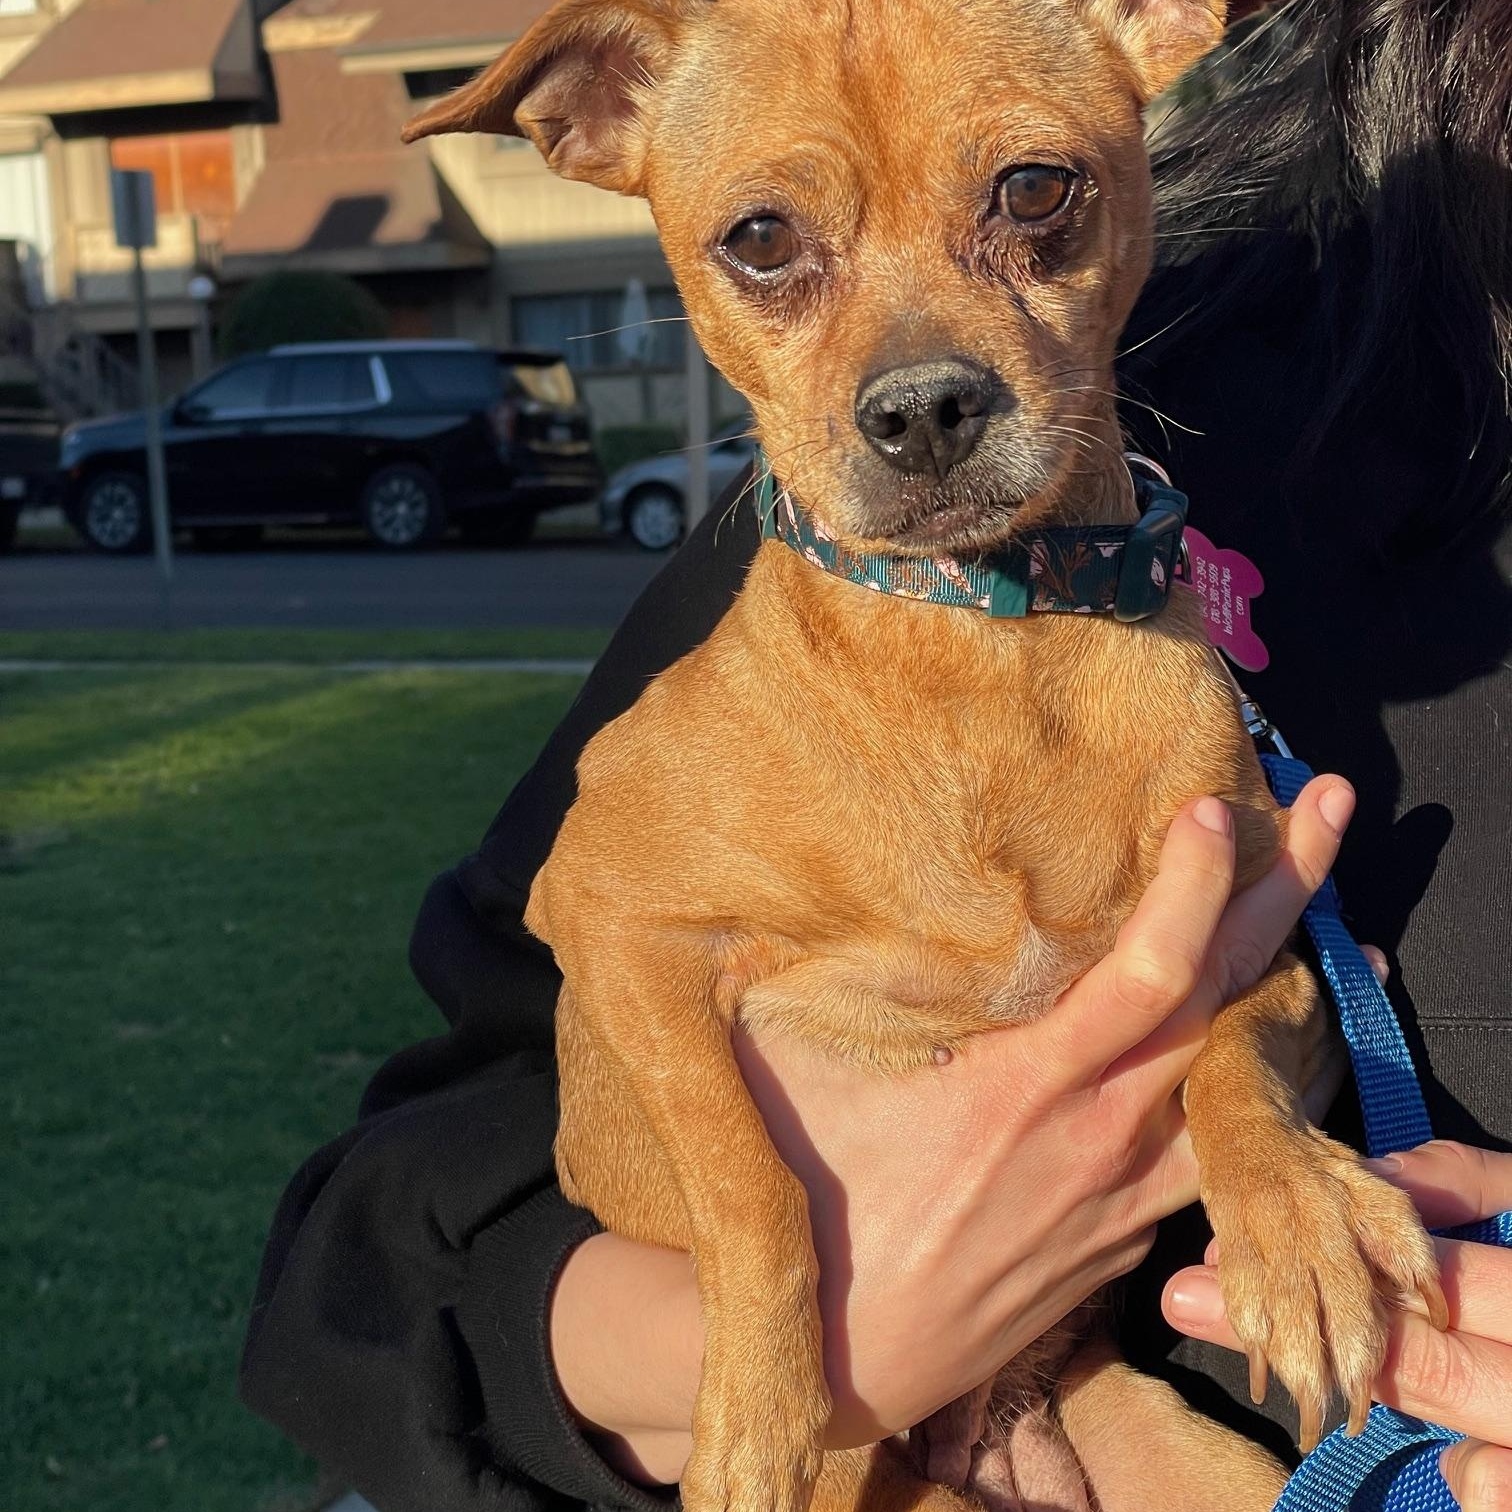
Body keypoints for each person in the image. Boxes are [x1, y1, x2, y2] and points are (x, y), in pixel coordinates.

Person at [240, 0, 1512, 1507]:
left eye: (1028, 203)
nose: (913, 371)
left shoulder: (1172, 677)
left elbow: (1262, 981)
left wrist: (1252, 1129)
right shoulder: (738, 671)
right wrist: (766, 1299)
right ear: (595, 130)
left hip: (1100, 1389)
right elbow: (409, 1202)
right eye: (771, 248)